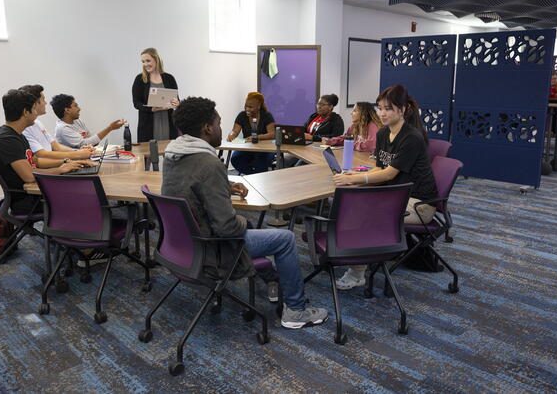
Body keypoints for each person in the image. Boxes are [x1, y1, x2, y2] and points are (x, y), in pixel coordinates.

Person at [162, 96, 327, 329]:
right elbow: (227, 227)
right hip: (213, 247)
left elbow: (190, 184)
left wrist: (226, 185)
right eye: (218, 123)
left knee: (250, 228)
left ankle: (272, 280)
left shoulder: (174, 155)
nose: (221, 127)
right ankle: (296, 311)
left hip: (182, 245)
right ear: (207, 128)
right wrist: (244, 224)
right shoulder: (209, 165)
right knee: (285, 239)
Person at [332, 85, 438, 290]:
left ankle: (357, 272)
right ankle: (354, 253)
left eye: (388, 108)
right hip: (395, 195)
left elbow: (389, 174)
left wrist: (358, 180)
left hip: (419, 204)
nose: (382, 113)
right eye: (380, 108)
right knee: (353, 201)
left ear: (403, 110)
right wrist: (356, 175)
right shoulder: (383, 134)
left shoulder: (411, 137)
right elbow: (380, 168)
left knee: (365, 210)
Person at [0, 89, 86, 215]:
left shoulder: (16, 134)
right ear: (25, 112)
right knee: (84, 197)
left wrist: (66, 162)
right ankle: (65, 232)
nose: (36, 114)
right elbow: (29, 176)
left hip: (36, 193)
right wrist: (61, 170)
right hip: (27, 200)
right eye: (34, 109)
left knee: (80, 189)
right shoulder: (7, 140)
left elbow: (36, 161)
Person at [20, 84, 96, 167]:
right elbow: (41, 154)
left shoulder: (37, 123)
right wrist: (78, 155)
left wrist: (78, 152)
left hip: (57, 165)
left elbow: (55, 146)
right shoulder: (25, 128)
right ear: (34, 104)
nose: (46, 103)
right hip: (49, 170)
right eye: (43, 99)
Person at [132, 47, 180, 142]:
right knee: (149, 154)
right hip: (147, 126)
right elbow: (136, 103)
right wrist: (151, 109)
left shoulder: (169, 78)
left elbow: (177, 100)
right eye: (143, 61)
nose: (145, 64)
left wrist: (176, 103)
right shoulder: (140, 79)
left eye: (148, 61)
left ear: (156, 60)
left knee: (170, 153)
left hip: (168, 123)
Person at [226, 92, 276, 174]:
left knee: (260, 160)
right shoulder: (242, 115)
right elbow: (234, 131)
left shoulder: (266, 116)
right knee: (235, 159)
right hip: (248, 147)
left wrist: (257, 137)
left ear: (258, 106)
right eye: (246, 106)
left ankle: (259, 179)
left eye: (250, 107)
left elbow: (272, 134)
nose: (247, 109)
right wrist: (231, 135)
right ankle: (253, 176)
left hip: (265, 149)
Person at [52, 94, 125, 148]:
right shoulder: (62, 129)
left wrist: (89, 140)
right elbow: (86, 144)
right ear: (67, 110)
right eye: (75, 106)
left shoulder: (78, 121)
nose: (79, 109)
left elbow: (93, 141)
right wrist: (110, 128)